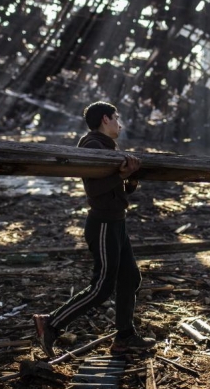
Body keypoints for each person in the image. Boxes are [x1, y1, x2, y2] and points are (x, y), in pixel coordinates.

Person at [33, 101, 156, 357]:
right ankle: (51, 324)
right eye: (116, 117)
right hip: (103, 224)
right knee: (102, 286)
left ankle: (124, 338)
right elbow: (94, 189)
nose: (119, 123)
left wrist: (130, 178)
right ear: (104, 119)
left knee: (130, 278)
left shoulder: (107, 147)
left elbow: (115, 189)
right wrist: (121, 176)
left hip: (116, 222)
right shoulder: (91, 146)